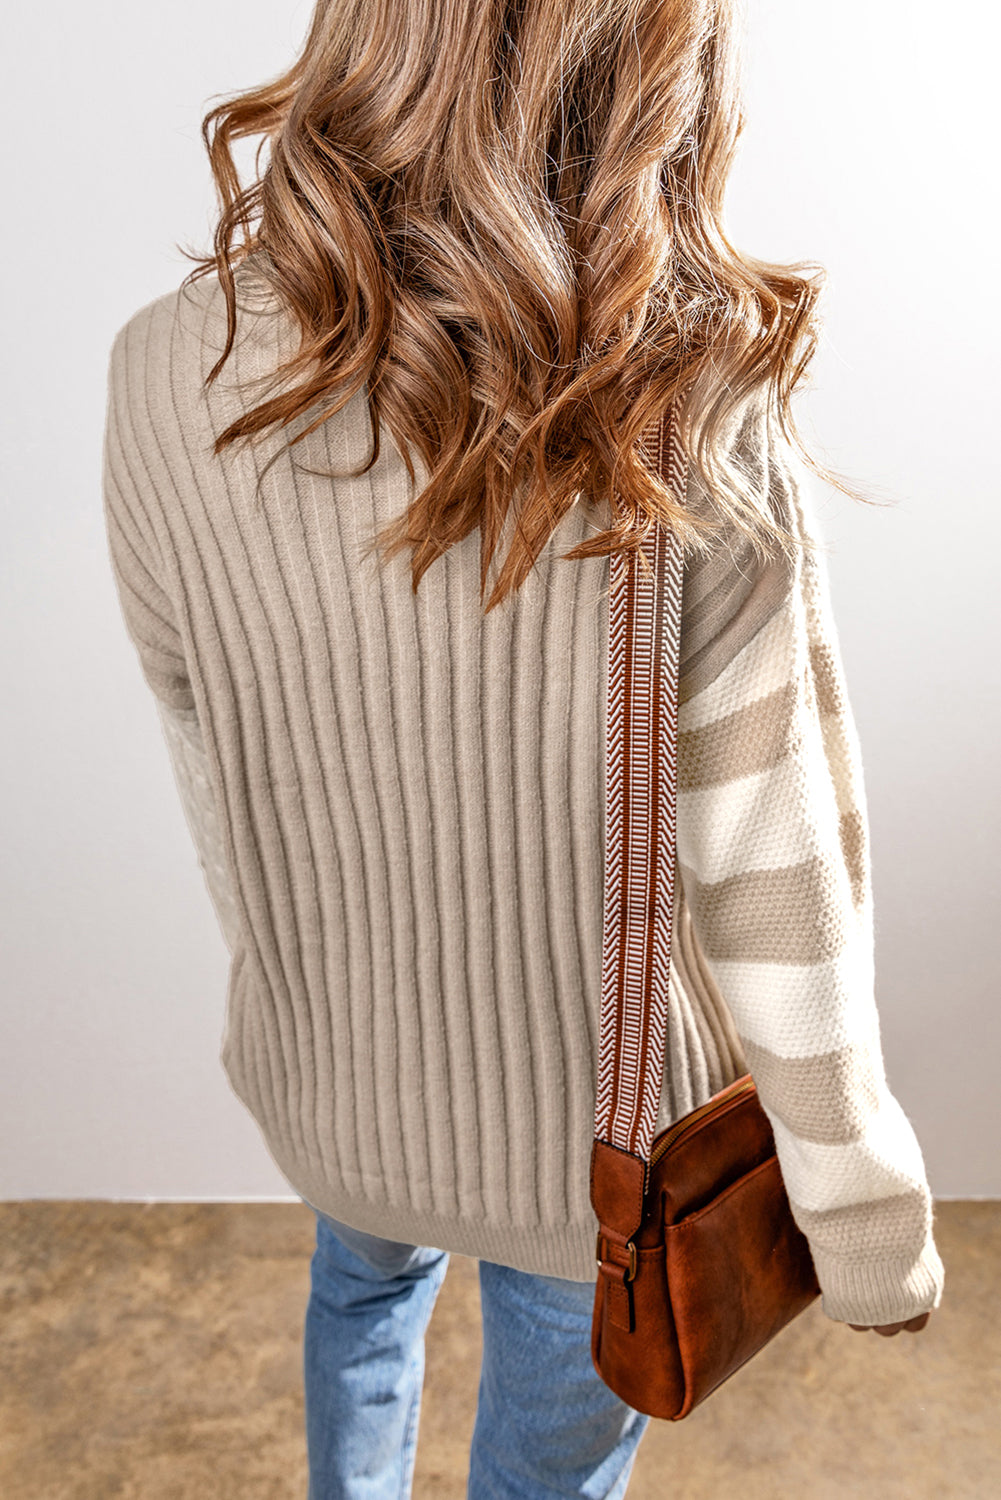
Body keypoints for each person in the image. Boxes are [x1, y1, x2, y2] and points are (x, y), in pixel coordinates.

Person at [101, 0, 944, 1494]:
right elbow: (774, 858)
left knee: (360, 1296)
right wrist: (860, 1213)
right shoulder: (681, 395)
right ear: (644, 62)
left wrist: (298, 997)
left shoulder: (162, 374)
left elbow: (211, 759)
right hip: (592, 1158)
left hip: (337, 1085)